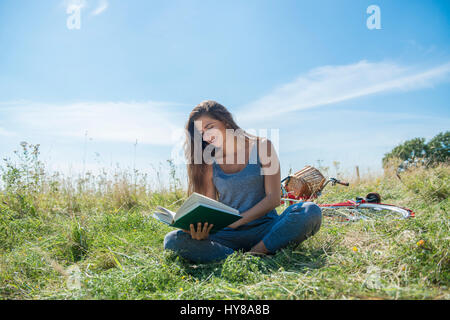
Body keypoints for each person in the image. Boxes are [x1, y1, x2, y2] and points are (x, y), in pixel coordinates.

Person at [164, 100, 322, 263]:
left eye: (210, 126)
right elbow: (208, 207)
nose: (206, 135)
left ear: (225, 121)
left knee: (310, 211)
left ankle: (255, 254)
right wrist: (201, 231)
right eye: (201, 132)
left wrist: (238, 220)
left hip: (266, 229)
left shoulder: (263, 147)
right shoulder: (209, 161)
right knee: (172, 240)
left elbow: (274, 198)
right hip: (226, 234)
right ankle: (244, 259)